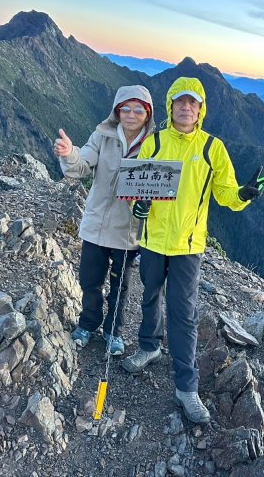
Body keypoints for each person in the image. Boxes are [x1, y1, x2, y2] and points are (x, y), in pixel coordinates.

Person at [122, 77, 264, 423]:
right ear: (170, 106)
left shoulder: (211, 148)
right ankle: (149, 347)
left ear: (201, 110)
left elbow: (225, 194)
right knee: (149, 296)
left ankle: (186, 386)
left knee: (183, 312)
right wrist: (137, 207)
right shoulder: (154, 142)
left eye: (193, 103)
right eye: (180, 102)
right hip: (152, 239)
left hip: (188, 245)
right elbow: (136, 189)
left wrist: (243, 195)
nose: (186, 108)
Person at [54, 85, 155, 355]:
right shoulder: (102, 136)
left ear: (148, 114)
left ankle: (113, 332)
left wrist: (150, 206)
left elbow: (162, 184)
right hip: (97, 224)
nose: (131, 114)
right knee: (90, 280)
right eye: (125, 108)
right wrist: (69, 153)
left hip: (128, 229)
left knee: (120, 287)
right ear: (117, 111)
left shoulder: (155, 144)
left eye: (138, 110)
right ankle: (88, 324)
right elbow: (84, 163)